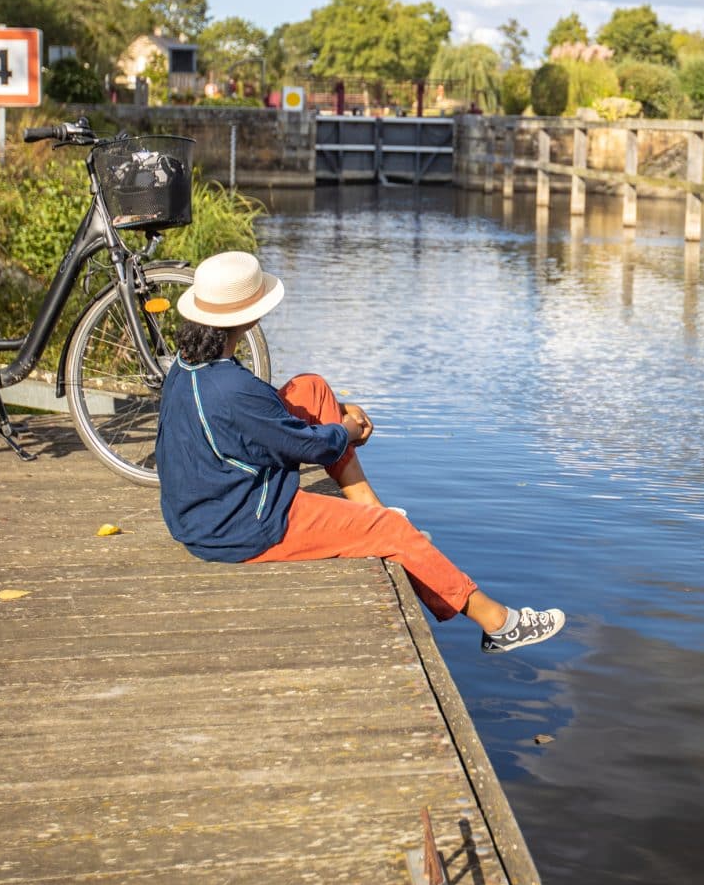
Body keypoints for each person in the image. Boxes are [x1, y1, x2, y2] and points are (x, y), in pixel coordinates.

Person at [154, 251, 565, 655]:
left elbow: (256, 421)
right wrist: (345, 430)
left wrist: (334, 426)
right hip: (237, 526)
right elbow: (310, 446)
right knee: (392, 532)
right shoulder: (233, 389)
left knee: (310, 387)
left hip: (202, 508)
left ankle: (367, 506)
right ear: (248, 318)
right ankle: (499, 624)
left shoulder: (188, 365)